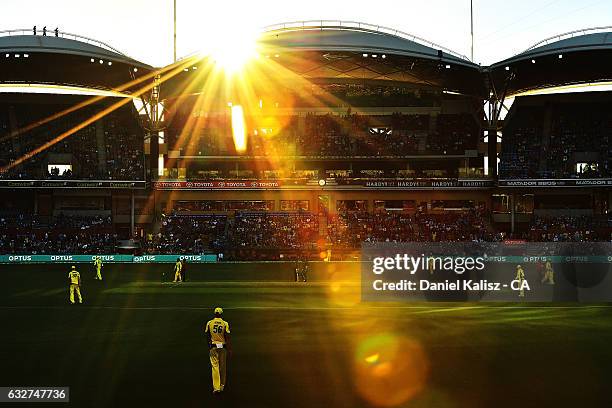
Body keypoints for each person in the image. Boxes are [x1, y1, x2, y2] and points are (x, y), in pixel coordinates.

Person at [204, 307, 232, 394]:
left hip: (213, 347)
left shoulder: (209, 323)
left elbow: (207, 334)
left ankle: (216, 388)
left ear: (214, 314)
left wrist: (209, 345)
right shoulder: (225, 323)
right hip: (222, 347)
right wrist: (229, 347)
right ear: (221, 314)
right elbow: (227, 336)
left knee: (215, 367)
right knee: (222, 367)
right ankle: (222, 386)